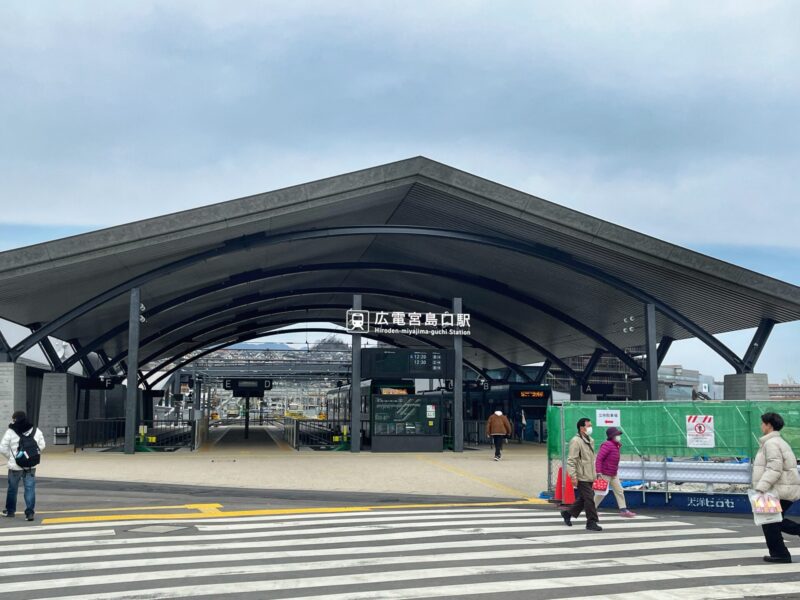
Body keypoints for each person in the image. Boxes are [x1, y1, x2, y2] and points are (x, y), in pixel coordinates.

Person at [752, 412, 800, 563]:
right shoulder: (777, 442)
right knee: (772, 521)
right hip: (781, 489)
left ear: (768, 425)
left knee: (770, 521)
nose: (761, 426)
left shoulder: (771, 444)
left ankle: (781, 554)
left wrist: (761, 487)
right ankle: (780, 554)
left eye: (762, 423)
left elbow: (774, 468)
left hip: (777, 491)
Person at [0, 411, 46, 522]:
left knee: (12, 489)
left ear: (15, 419)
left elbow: (2, 448)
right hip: (30, 466)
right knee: (29, 489)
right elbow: (42, 445)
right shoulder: (35, 430)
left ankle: (10, 511)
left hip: (15, 466)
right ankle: (29, 513)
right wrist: (31, 455)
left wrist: (12, 457)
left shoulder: (11, 431)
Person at [561, 417, 602, 531]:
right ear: (581, 428)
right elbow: (571, 460)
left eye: (590, 425)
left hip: (590, 475)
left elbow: (590, 459)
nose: (590, 428)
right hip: (581, 475)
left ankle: (568, 514)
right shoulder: (576, 441)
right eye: (588, 426)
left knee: (584, 499)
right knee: (589, 499)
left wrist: (596, 473)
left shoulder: (590, 440)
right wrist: (573, 476)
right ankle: (591, 522)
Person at [593, 426, 636, 517]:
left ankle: (623, 510)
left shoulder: (615, 446)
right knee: (601, 493)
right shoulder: (607, 445)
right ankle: (592, 509)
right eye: (617, 434)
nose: (619, 436)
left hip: (613, 473)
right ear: (612, 436)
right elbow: (599, 459)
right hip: (605, 473)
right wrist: (599, 472)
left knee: (619, 490)